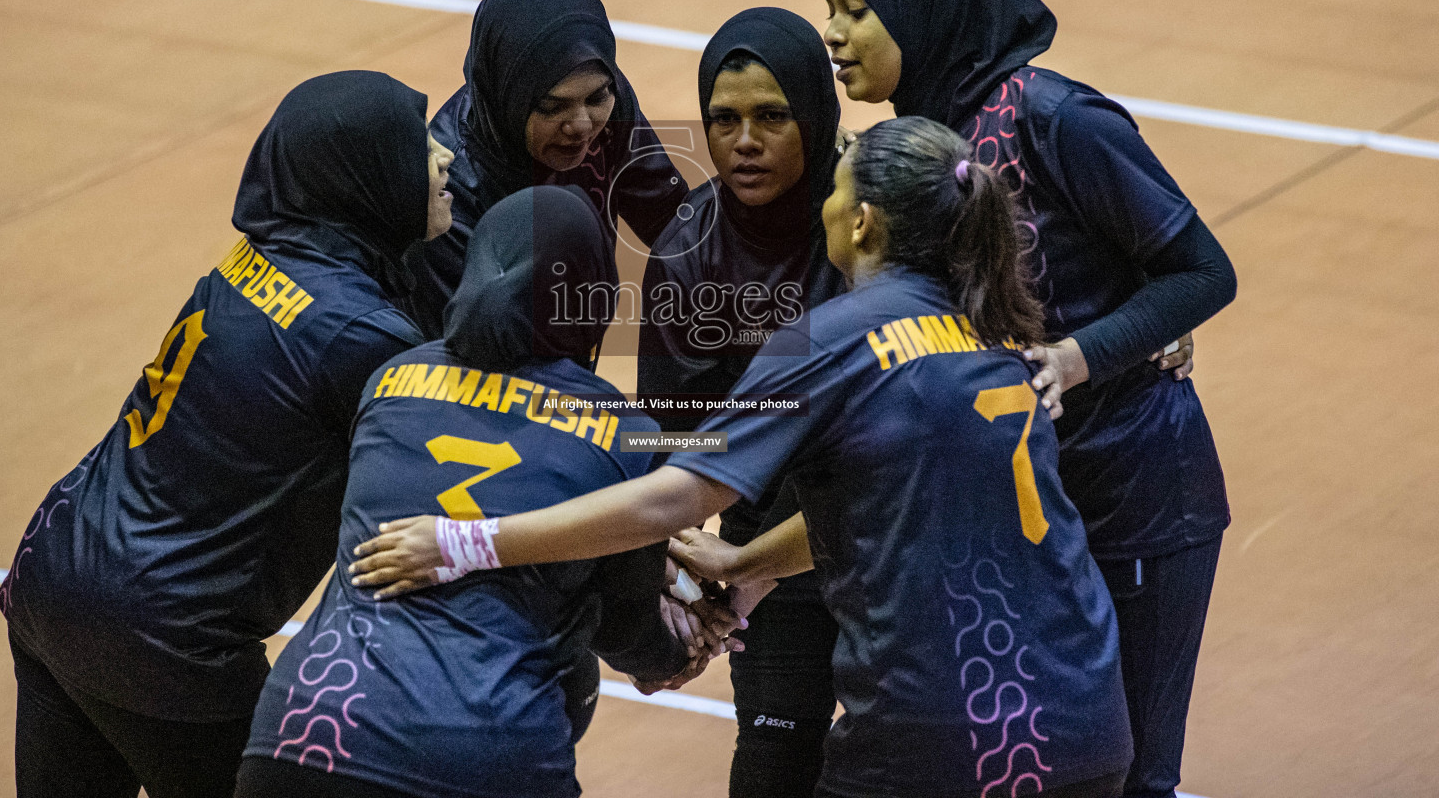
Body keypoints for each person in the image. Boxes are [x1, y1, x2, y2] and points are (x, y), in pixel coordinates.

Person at [349, 119, 1135, 798]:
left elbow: (676, 497)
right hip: (1084, 718)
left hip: (940, 731)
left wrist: (466, 542)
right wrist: (746, 565)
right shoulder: (994, 337)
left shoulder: (833, 336)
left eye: (833, 188)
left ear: (860, 222)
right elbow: (885, 498)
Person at [817, 0, 1237, 798]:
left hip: (1137, 499)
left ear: (923, 6)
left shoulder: (1057, 119)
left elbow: (1201, 271)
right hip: (1023, 512)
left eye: (855, 8)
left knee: (1131, 776)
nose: (834, 33)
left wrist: (1083, 354)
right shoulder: (904, 156)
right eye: (830, 8)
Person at [0, 71, 453, 798]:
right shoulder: (361, 335)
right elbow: (462, 479)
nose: (441, 157)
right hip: (167, 638)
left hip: (52, 574)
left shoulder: (253, 256)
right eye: (415, 142)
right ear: (359, 175)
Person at [237, 185, 701, 798]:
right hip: (480, 752)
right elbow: (623, 626)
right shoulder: (630, 437)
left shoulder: (389, 380)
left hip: (304, 728)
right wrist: (678, 651)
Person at [638, 6, 846, 797]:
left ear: (817, 115)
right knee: (773, 764)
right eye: (723, 121)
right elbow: (679, 446)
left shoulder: (876, 225)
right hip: (767, 552)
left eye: (772, 117)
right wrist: (680, 598)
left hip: (894, 539)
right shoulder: (687, 256)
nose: (745, 142)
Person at [405, 0, 690, 339]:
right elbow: (463, 354)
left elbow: (674, 223)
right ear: (508, 99)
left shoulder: (607, 102)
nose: (582, 126)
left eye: (597, 98)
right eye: (552, 107)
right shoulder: (448, 194)